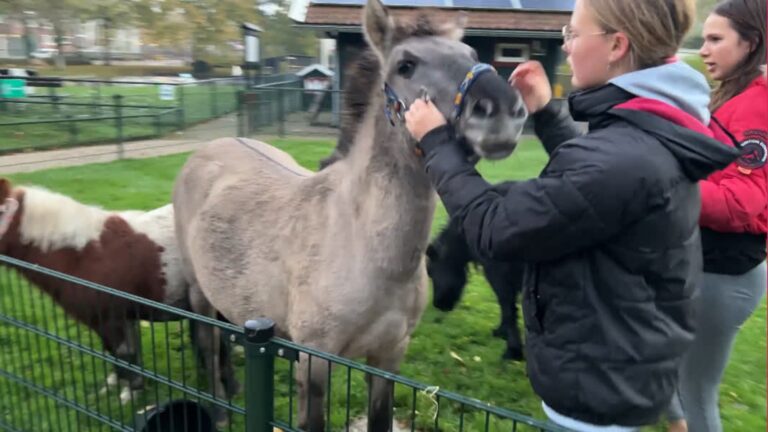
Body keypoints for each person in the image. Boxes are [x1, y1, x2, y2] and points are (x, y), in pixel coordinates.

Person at [404, 0, 741, 430]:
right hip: (623, 359)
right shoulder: (652, 127)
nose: (565, 47)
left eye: (572, 34)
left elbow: (497, 229)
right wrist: (546, 114)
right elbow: (592, 186)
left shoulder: (624, 157)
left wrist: (436, 143)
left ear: (617, 44)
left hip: (595, 391)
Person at [666, 1, 767, 431]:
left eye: (716, 39)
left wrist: (667, 184)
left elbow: (745, 201)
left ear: (751, 44)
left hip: (724, 276)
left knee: (696, 393)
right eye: (703, 38)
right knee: (663, 373)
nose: (704, 49)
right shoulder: (733, 96)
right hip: (700, 266)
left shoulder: (755, 106)